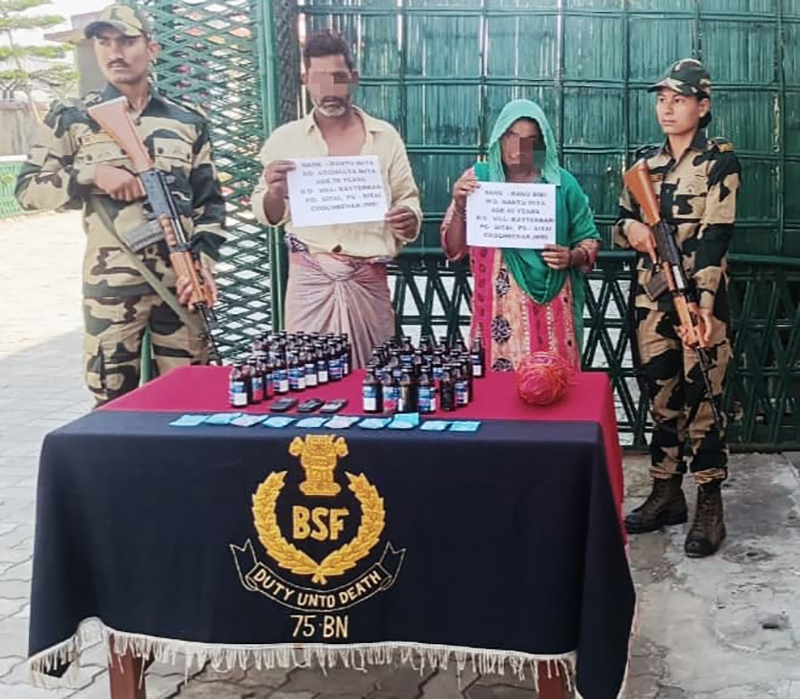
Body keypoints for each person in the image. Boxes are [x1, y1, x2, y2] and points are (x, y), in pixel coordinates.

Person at [15, 3, 225, 406]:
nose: (115, 52)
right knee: (113, 405)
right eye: (104, 42)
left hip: (179, 287)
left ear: (151, 48)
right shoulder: (74, 118)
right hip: (111, 290)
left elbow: (210, 203)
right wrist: (91, 175)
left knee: (190, 400)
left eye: (127, 41)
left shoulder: (187, 121)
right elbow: (27, 190)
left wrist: (201, 264)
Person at [614, 59, 741, 557]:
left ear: (702, 106)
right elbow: (619, 221)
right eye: (662, 100)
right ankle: (666, 492)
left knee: (704, 397)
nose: (667, 108)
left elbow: (716, 236)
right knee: (660, 395)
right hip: (651, 299)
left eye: (680, 100)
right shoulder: (643, 163)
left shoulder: (719, 162)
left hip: (700, 300)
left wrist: (703, 303)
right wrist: (632, 229)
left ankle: (709, 500)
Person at [251, 30, 422, 369]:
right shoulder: (286, 140)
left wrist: (407, 217)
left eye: (338, 78)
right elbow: (267, 213)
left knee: (374, 378)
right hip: (310, 282)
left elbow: (409, 200)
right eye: (318, 79)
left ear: (353, 78)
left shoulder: (384, 137)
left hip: (368, 280)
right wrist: (274, 192)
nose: (329, 90)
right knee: (306, 377)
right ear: (305, 80)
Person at [441, 99, 600, 372]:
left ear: (542, 145)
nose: (519, 148)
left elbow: (589, 240)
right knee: (496, 389)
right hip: (495, 311)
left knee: (551, 385)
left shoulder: (561, 184)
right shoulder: (477, 180)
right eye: (512, 137)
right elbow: (453, 249)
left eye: (530, 140)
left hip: (550, 311)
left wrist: (572, 256)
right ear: (499, 138)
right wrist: (459, 204)